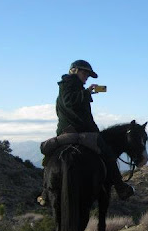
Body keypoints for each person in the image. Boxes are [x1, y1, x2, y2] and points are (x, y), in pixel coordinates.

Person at [55, 59, 134, 200]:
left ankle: (45, 192)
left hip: (63, 131)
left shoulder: (70, 86)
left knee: (51, 155)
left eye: (88, 75)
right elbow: (70, 101)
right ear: (75, 70)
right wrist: (87, 92)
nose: (86, 77)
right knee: (108, 154)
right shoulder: (69, 85)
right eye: (84, 73)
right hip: (80, 131)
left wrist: (86, 93)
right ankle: (120, 187)